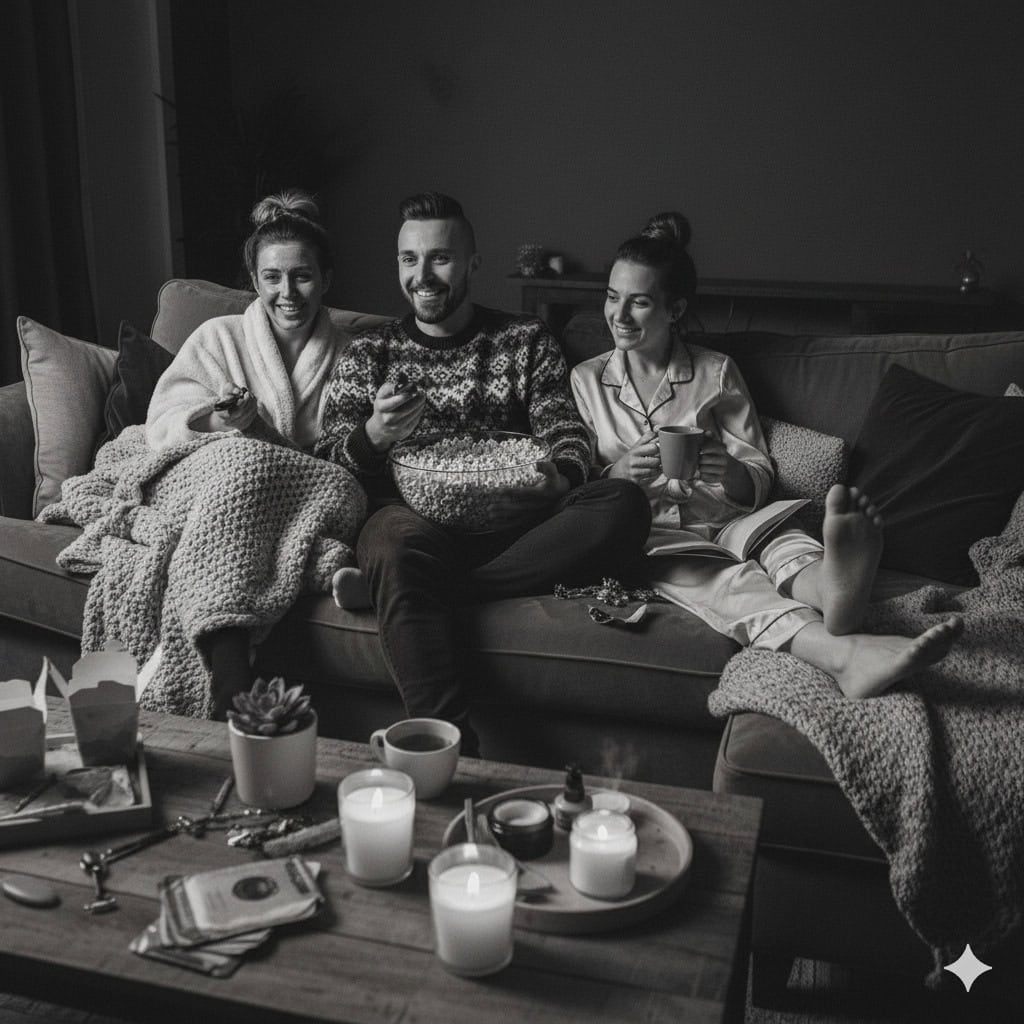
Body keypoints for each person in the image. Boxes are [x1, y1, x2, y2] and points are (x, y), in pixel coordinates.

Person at [570, 212, 962, 698]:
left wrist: (730, 470)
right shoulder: (587, 380)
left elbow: (758, 471)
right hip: (655, 535)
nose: (619, 315)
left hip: (729, 517)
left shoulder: (716, 372)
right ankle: (843, 654)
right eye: (612, 297)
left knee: (785, 542)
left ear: (674, 310)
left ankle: (833, 588)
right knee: (727, 582)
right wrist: (619, 473)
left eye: (639, 302)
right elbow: (580, 488)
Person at [314, 192, 650, 753]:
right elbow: (327, 462)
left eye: (440, 259)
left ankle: (424, 593)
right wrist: (374, 434)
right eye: (408, 260)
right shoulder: (370, 352)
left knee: (623, 504)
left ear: (472, 264)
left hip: (514, 525)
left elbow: (567, 433)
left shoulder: (524, 341)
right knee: (393, 545)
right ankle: (451, 747)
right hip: (413, 526)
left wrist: (558, 479)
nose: (423, 275)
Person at [145, 189, 350, 717]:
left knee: (279, 473)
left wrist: (264, 435)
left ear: (326, 277)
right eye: (272, 278)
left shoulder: (354, 354)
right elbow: (164, 423)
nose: (288, 292)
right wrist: (221, 420)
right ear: (254, 282)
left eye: (302, 276)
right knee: (244, 461)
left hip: (290, 490)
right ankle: (232, 673)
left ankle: (230, 666)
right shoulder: (218, 337)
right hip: (208, 473)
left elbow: (341, 460)